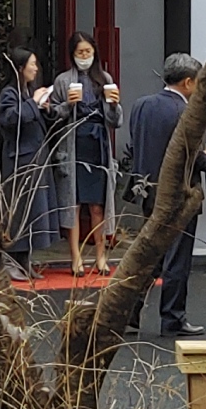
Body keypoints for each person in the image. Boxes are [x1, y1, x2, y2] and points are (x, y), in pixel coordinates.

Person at [125, 52, 206, 336]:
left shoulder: (141, 105)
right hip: (178, 195)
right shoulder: (186, 113)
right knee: (177, 259)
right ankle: (173, 319)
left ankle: (128, 312)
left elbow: (135, 145)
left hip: (148, 190)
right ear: (188, 82)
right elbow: (189, 156)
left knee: (149, 256)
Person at [51, 32, 124, 276]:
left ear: (95, 52)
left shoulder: (104, 79)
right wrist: (68, 105)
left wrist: (114, 104)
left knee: (97, 206)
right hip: (74, 145)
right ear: (72, 54)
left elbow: (115, 121)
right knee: (73, 204)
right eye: (80, 52)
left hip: (98, 146)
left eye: (88, 52)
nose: (84, 56)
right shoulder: (63, 81)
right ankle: (76, 258)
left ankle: (101, 256)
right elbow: (52, 116)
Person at [0, 49, 62, 273]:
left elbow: (42, 120)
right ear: (20, 68)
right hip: (20, 160)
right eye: (32, 64)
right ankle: (10, 259)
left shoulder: (27, 92)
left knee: (33, 211)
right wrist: (33, 103)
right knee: (19, 209)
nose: (36, 68)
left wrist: (46, 108)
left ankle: (25, 260)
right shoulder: (9, 93)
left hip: (36, 158)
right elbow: (9, 118)